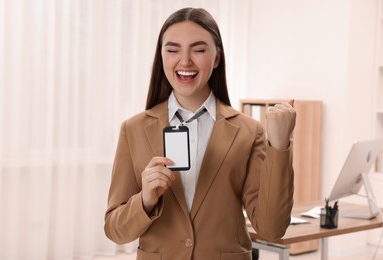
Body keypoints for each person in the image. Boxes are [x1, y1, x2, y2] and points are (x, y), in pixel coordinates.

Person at [104, 7, 296, 260]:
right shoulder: (134, 129)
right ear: (161, 57)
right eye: (172, 50)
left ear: (216, 58)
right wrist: (145, 200)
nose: (185, 61)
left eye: (198, 49)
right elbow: (115, 230)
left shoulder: (249, 131)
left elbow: (272, 228)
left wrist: (279, 146)